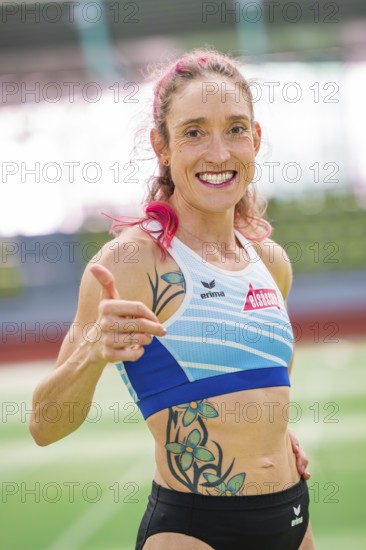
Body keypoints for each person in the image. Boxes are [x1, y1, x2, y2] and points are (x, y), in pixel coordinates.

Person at [30, 49, 315, 549]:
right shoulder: (131, 262)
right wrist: (96, 349)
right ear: (160, 146)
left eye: (234, 128)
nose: (219, 153)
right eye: (193, 132)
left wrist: (275, 439)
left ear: (256, 139)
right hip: (194, 530)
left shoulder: (270, 262)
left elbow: (257, 394)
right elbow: (43, 426)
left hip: (292, 518)